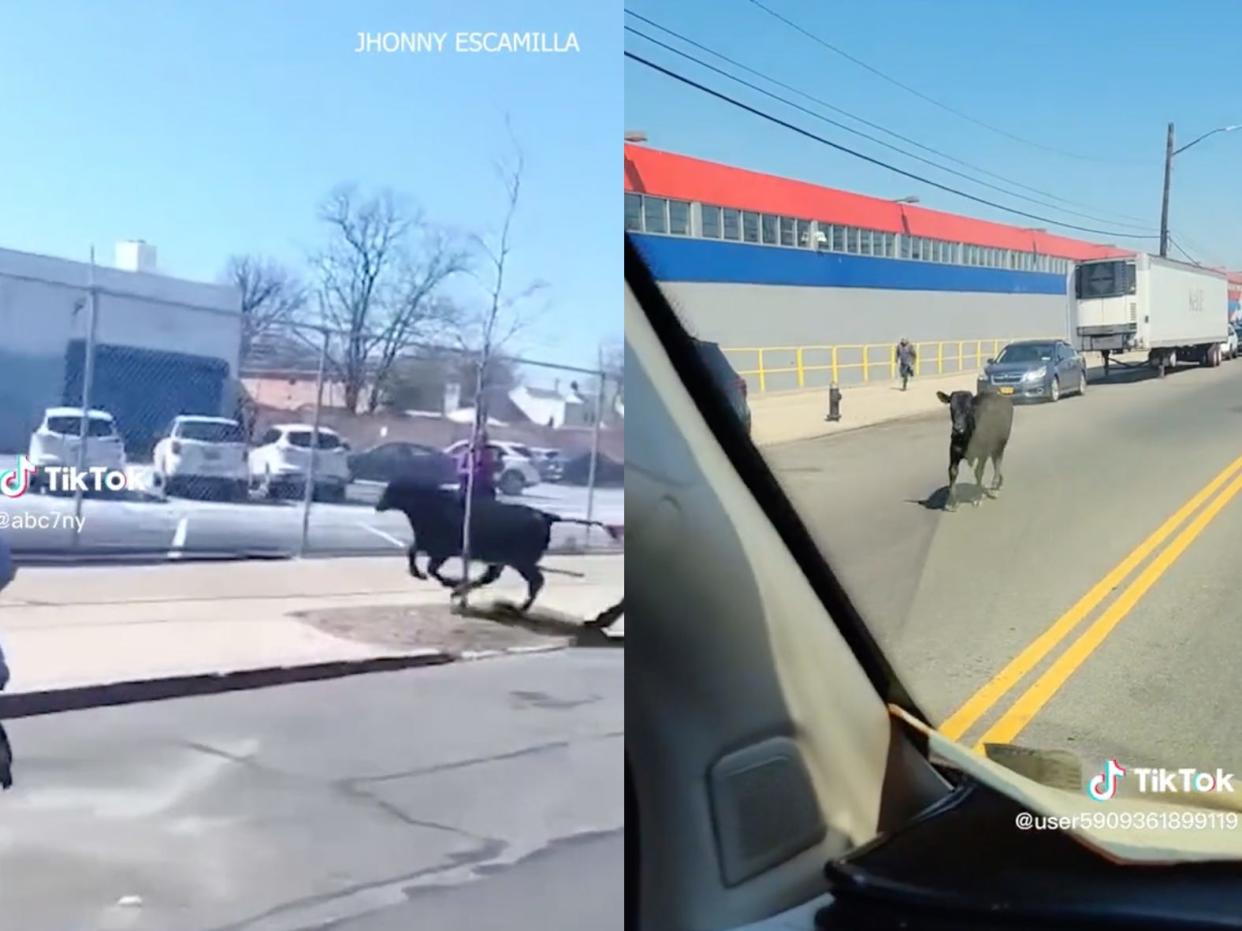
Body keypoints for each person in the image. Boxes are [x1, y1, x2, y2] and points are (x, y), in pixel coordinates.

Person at [458, 430, 497, 503]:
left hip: (484, 491)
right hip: (468, 489)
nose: (480, 441)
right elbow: (460, 471)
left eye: (483, 439)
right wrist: (471, 472)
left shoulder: (488, 454)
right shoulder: (466, 454)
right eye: (478, 438)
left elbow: (490, 472)